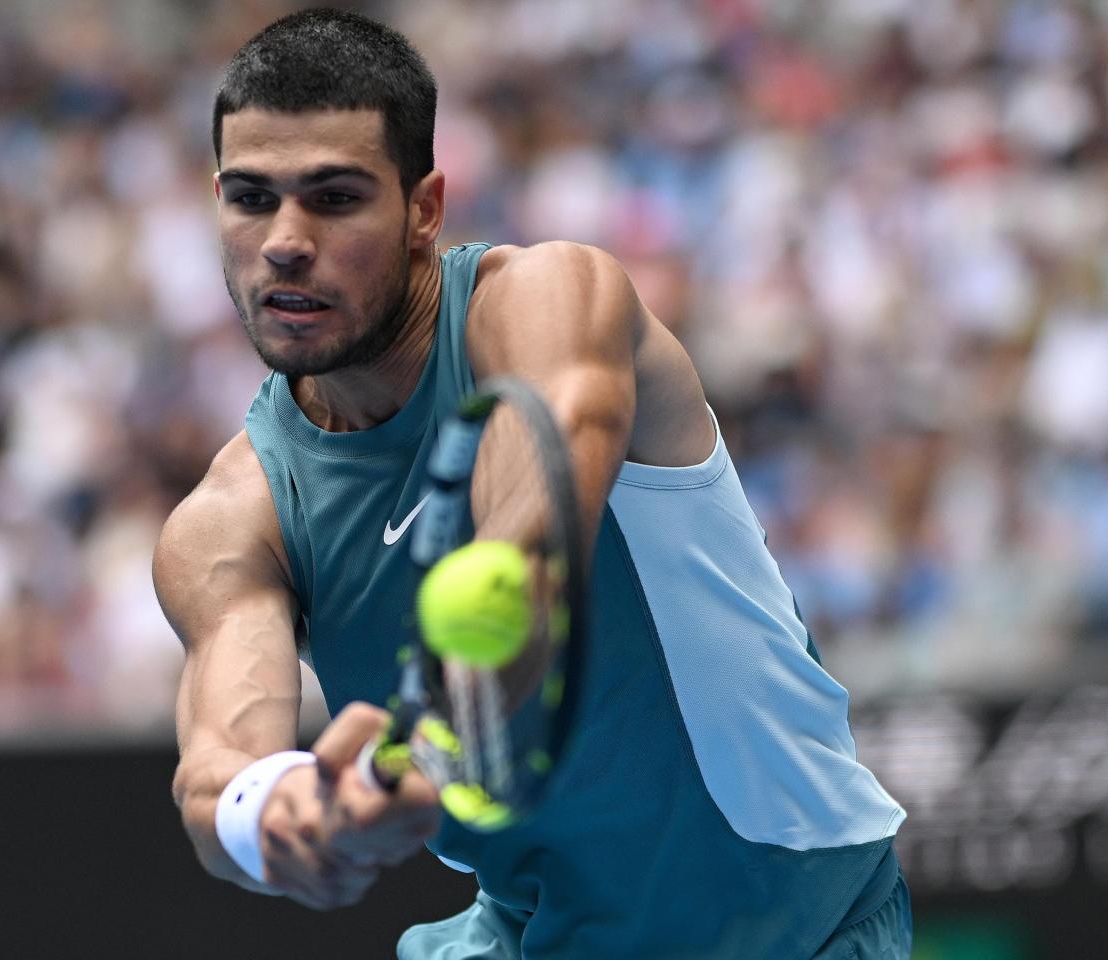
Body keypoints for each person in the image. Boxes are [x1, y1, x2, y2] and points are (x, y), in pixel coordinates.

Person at [154, 9, 910, 958]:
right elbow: (215, 771)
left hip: (794, 930)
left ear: (424, 209)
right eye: (251, 198)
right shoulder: (230, 518)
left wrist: (427, 745)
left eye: (335, 198)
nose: (285, 241)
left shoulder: (550, 300)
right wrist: (279, 810)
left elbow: (525, 557)